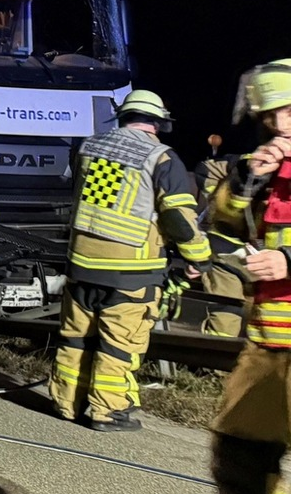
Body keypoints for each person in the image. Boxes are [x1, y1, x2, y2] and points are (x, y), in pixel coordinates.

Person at [177, 59, 291, 494]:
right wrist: (245, 180)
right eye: (270, 116)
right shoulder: (267, 165)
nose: (278, 125)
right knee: (240, 452)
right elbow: (222, 219)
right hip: (269, 340)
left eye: (287, 111)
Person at [48, 90, 212, 432]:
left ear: (122, 117)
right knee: (119, 344)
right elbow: (179, 220)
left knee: (77, 337)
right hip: (131, 272)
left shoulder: (88, 146)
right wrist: (199, 258)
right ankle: (107, 412)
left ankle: (67, 403)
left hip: (81, 264)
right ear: (158, 122)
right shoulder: (161, 157)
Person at [194, 153, 249, 337]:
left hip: (276, 262)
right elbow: (205, 170)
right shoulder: (249, 160)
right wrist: (219, 202)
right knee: (225, 318)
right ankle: (214, 364)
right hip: (226, 256)